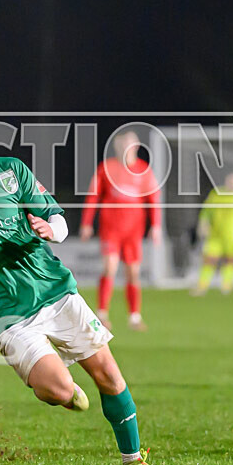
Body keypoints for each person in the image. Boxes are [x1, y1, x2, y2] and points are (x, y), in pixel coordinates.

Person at [0, 104, 162, 465]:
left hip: (56, 291)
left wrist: (52, 230)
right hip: (8, 314)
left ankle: (133, 461)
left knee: (108, 373)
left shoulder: (11, 171)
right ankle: (67, 391)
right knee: (57, 391)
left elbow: (58, 219)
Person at [80, 131, 161, 331]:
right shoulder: (106, 168)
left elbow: (153, 200)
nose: (127, 147)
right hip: (111, 229)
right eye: (123, 144)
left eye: (130, 144)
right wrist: (86, 222)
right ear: (118, 147)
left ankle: (134, 317)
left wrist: (156, 225)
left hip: (134, 231)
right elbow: (93, 196)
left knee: (133, 272)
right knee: (110, 267)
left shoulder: (144, 170)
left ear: (136, 146)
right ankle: (102, 314)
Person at [193, 173, 233, 295]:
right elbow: (206, 211)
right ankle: (202, 286)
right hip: (215, 235)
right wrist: (203, 224)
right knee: (210, 259)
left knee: (231, 260)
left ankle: (226, 285)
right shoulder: (216, 194)